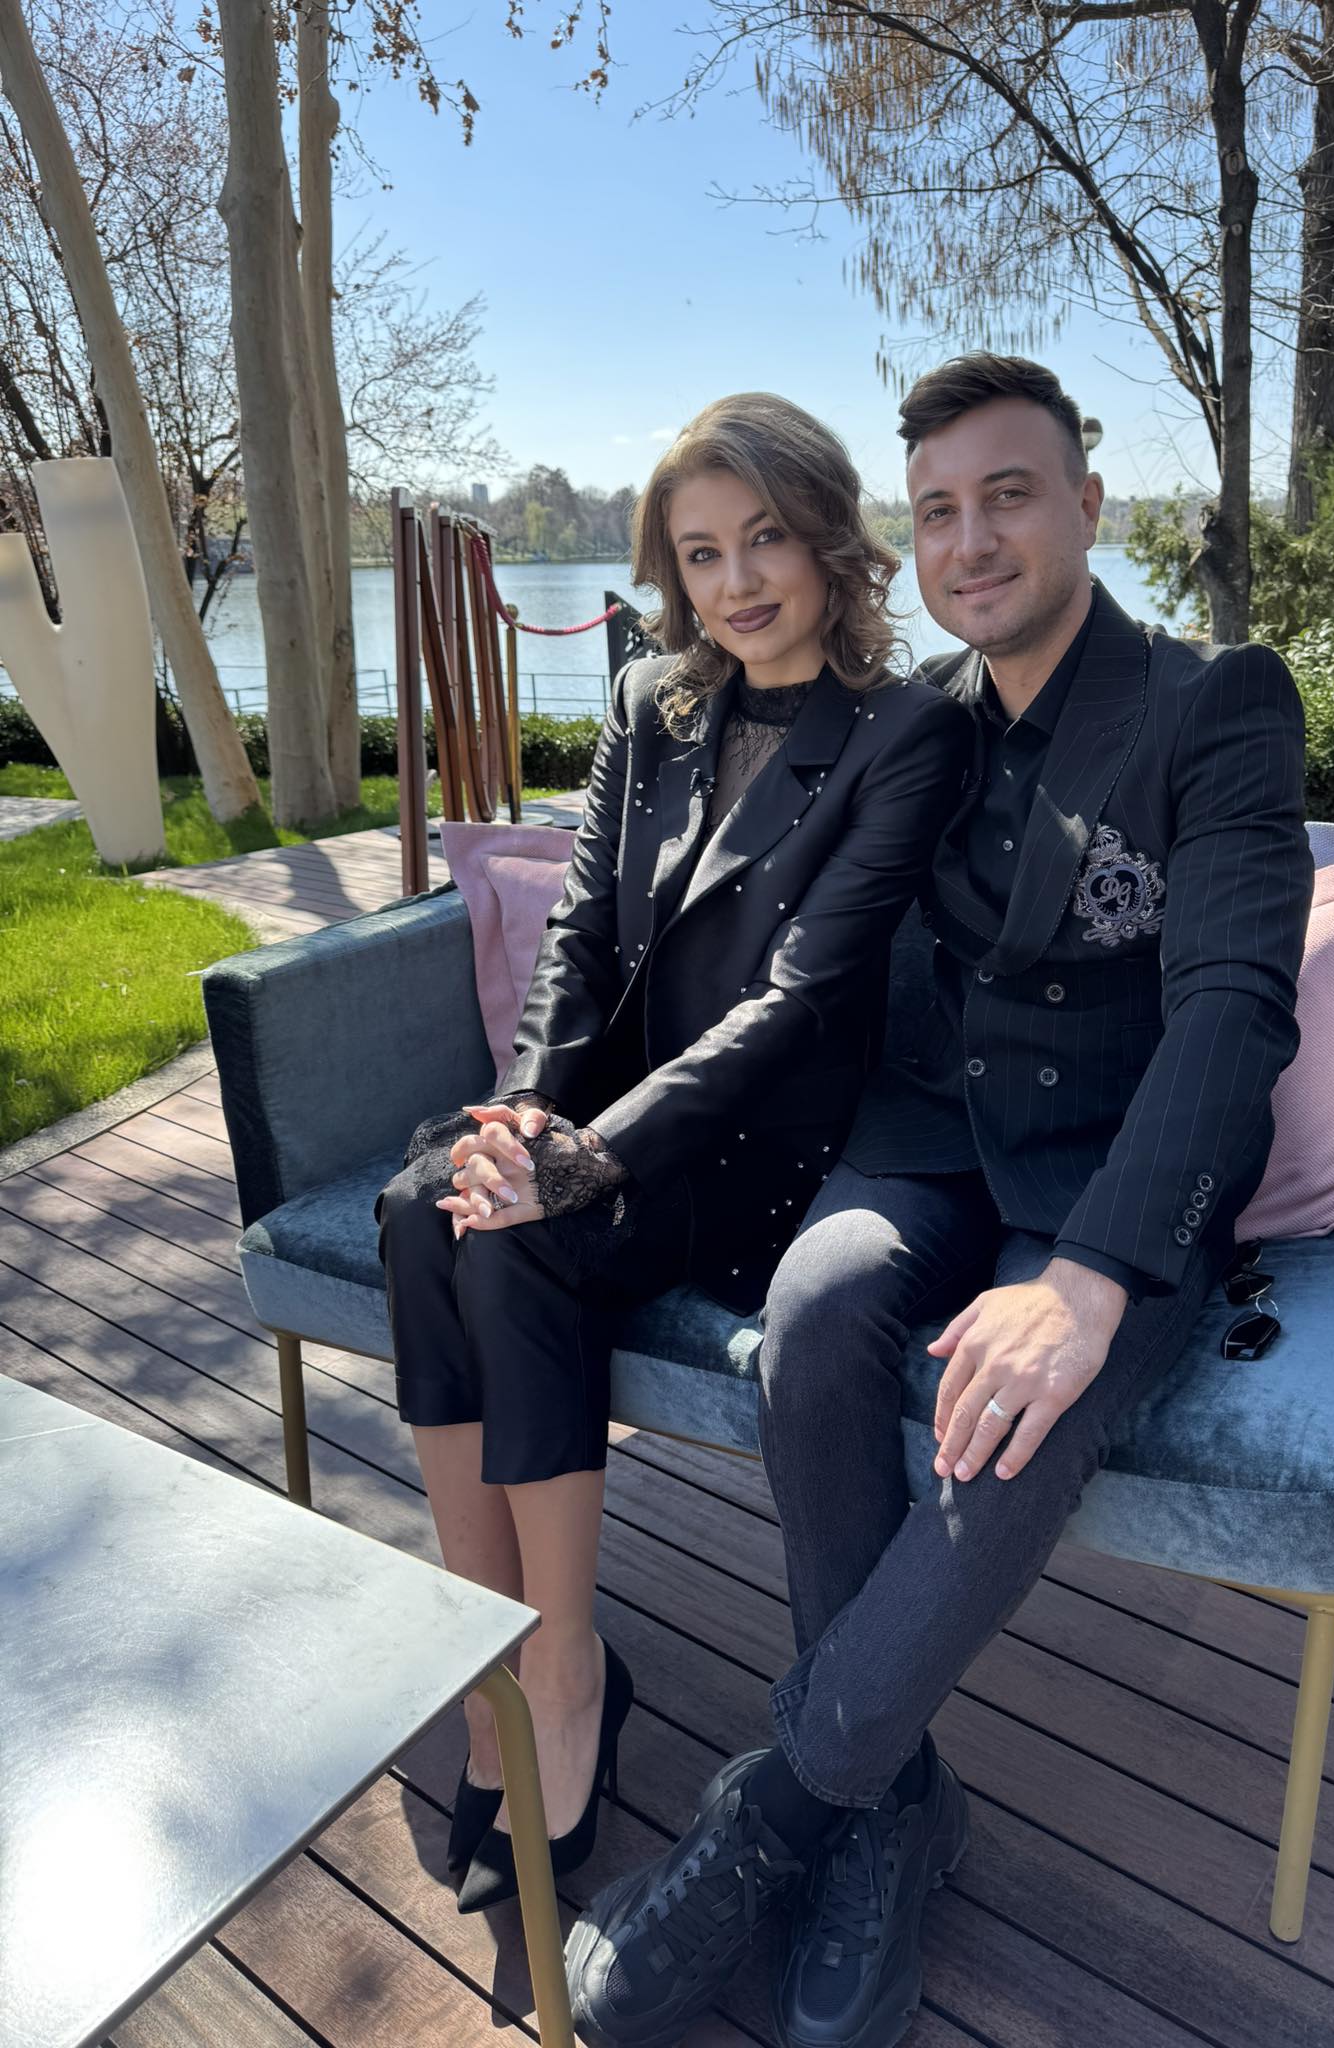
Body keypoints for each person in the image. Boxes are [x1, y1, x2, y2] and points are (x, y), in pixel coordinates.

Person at [565, 354, 1313, 2048]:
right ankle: (896, 1804)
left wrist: (1094, 1280)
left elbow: (1233, 1008)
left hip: (1110, 1182)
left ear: (1088, 509)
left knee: (1019, 1406)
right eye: (940, 512)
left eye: (1009, 496)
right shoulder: (916, 722)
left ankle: (779, 1820)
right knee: (816, 1315)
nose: (971, 541)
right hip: (918, 1147)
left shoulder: (1212, 704)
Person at [375, 391, 972, 1915]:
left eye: (765, 538)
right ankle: (490, 1657)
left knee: (517, 1237)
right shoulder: (653, 703)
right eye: (701, 553)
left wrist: (581, 1163)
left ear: (830, 540)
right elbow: (579, 937)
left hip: (757, 1156)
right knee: (419, 1208)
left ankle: (567, 1672)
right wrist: (520, 1116)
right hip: (602, 1116)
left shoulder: (907, 732)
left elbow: (801, 1000)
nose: (736, 582)